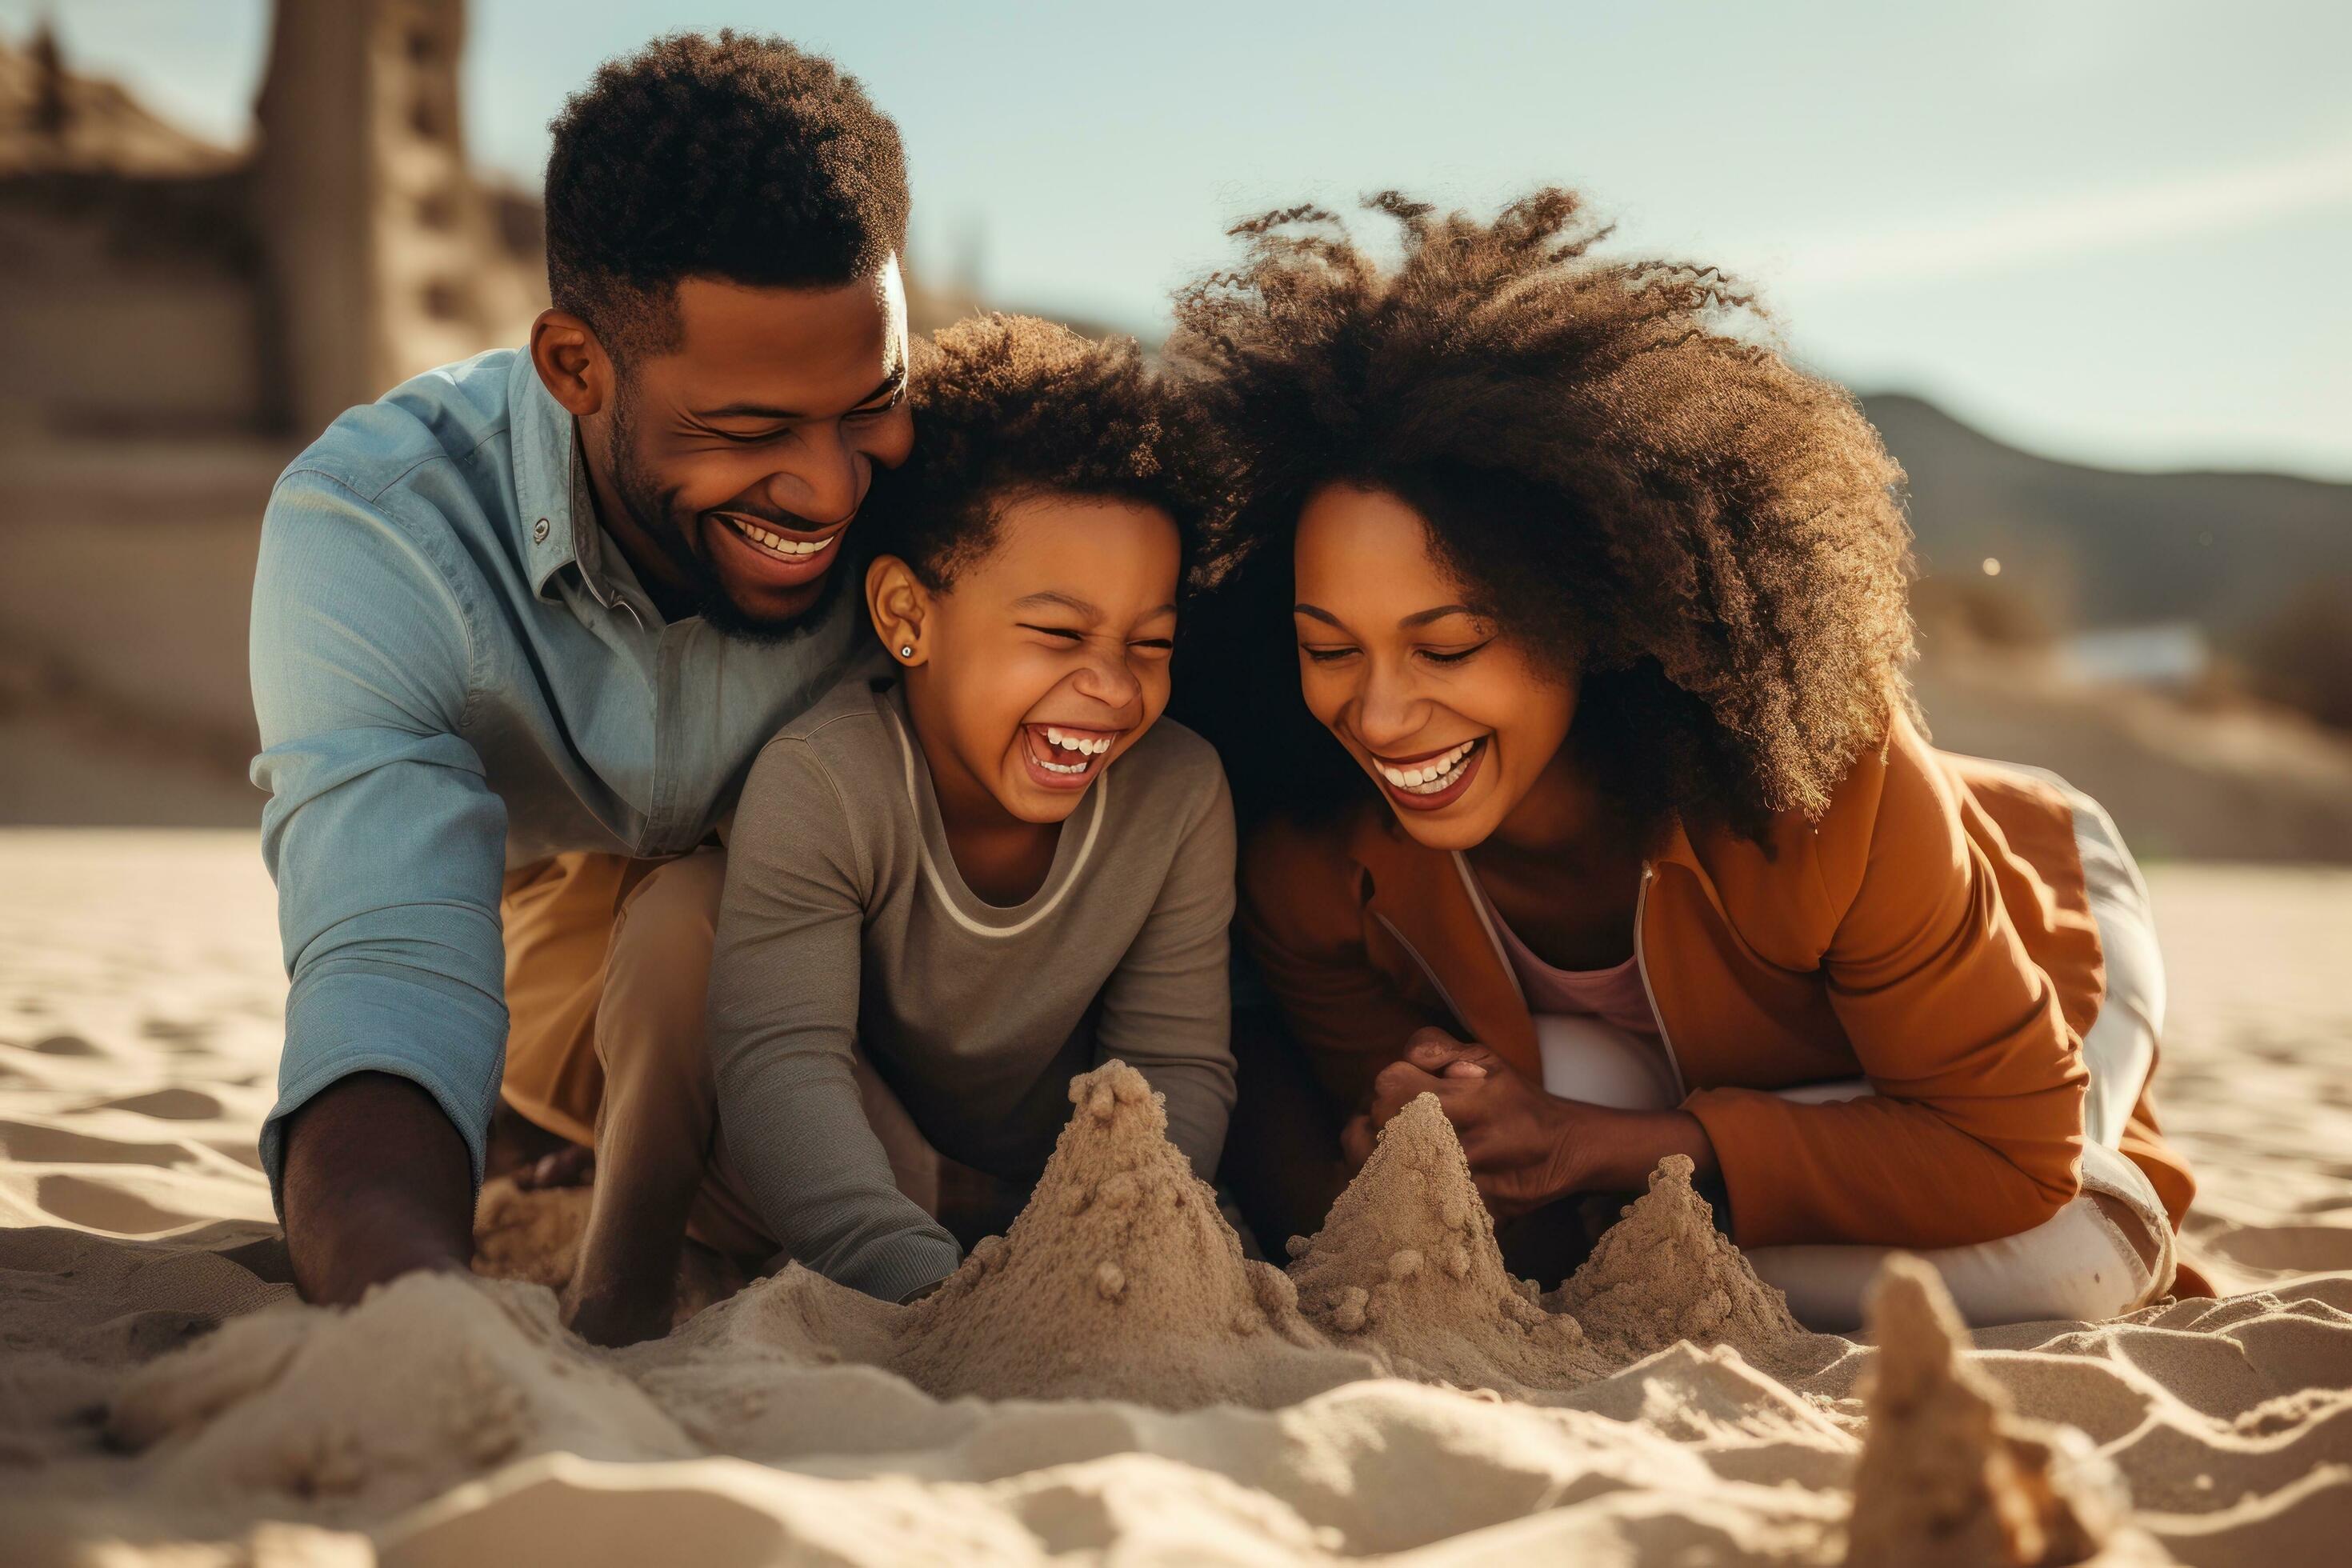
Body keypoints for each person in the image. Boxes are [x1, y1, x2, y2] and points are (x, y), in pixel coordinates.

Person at [1170, 191, 2200, 1328]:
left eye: (1450, 644)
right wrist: (1413, 1129)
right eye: (1328, 648)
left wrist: (1607, 1147)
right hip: (1691, 1079)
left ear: (1596, 607)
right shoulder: (1315, 867)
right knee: (1567, 1114)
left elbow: (2004, 1151)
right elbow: (1399, 1171)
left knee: (2077, 1252)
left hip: (2043, 903)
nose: (1380, 712)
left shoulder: (1831, 781)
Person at [249, 32, 914, 1342]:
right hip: (556, 958)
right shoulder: (383, 530)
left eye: (869, 403)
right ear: (573, 368)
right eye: (751, 429)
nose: (834, 487)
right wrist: (417, 1327)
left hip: (849, 977)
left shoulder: (956, 479)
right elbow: (386, 973)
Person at [676, 314, 1238, 1304]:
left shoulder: (1177, 795)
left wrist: (1124, 1250)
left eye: (1149, 644)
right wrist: (927, 1290)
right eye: (1059, 633)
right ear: (907, 617)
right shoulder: (825, 781)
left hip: (1052, 1200)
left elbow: (1174, 1069)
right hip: (847, 1181)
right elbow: (783, 1066)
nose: (1113, 685)